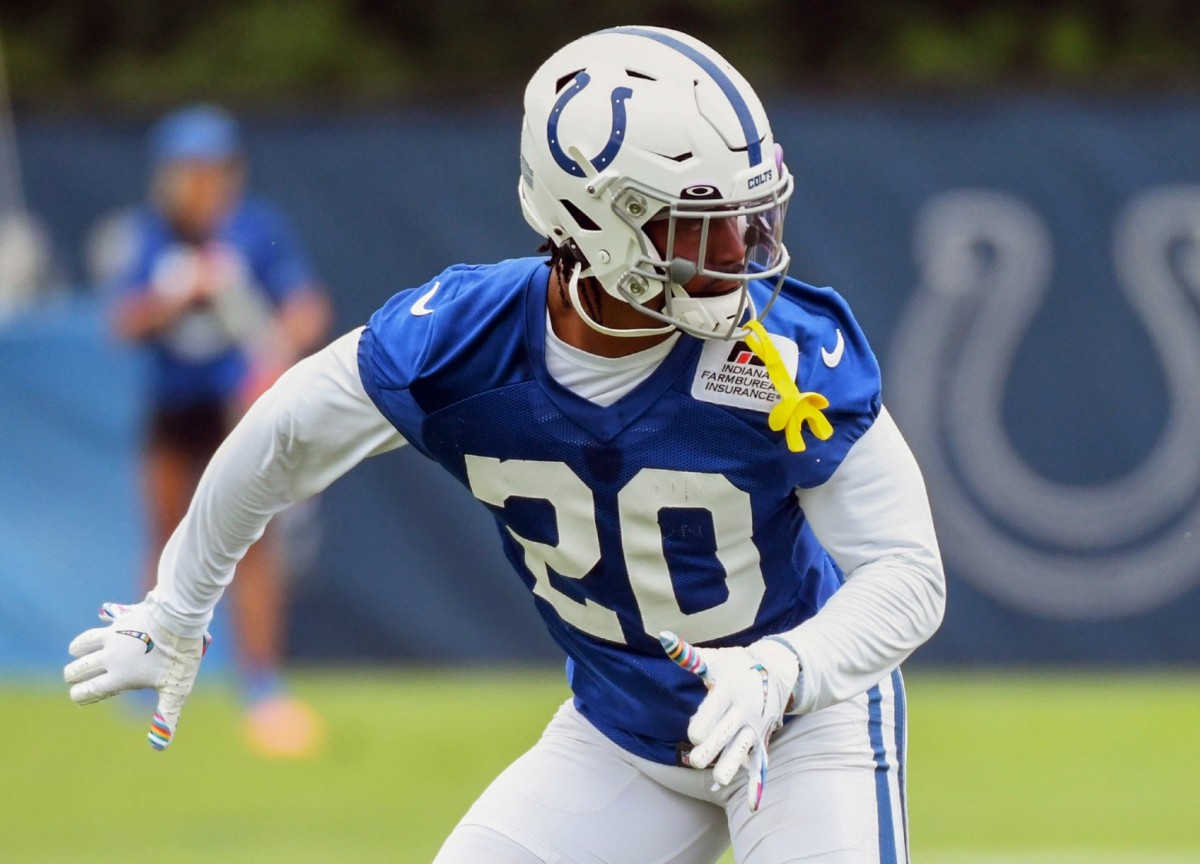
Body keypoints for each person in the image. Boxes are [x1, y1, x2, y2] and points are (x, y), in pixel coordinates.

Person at [65, 27, 945, 863]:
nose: (737, 250)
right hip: (622, 734)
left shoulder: (785, 355)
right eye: (694, 223)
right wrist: (179, 609)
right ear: (595, 224)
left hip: (801, 723)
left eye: (748, 216)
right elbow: (281, 434)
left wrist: (786, 667)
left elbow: (908, 575)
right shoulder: (461, 341)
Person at [104, 103, 333, 757]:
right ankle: (153, 676)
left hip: (237, 417)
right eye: (191, 170)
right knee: (165, 544)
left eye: (215, 169)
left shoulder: (258, 229)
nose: (204, 183)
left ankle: (261, 686)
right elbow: (121, 322)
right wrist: (177, 295)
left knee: (251, 549)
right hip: (174, 410)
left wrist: (271, 356)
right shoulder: (151, 235)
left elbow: (305, 309)